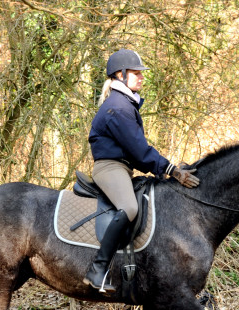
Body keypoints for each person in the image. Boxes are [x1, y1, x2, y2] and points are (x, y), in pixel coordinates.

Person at [84, 48, 200, 293]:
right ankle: (98, 269)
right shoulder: (118, 107)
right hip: (110, 167)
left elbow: (137, 153)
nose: (141, 77)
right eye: (136, 73)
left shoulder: (126, 104)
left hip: (122, 167)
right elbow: (139, 150)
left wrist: (166, 169)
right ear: (120, 74)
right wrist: (171, 170)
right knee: (130, 207)